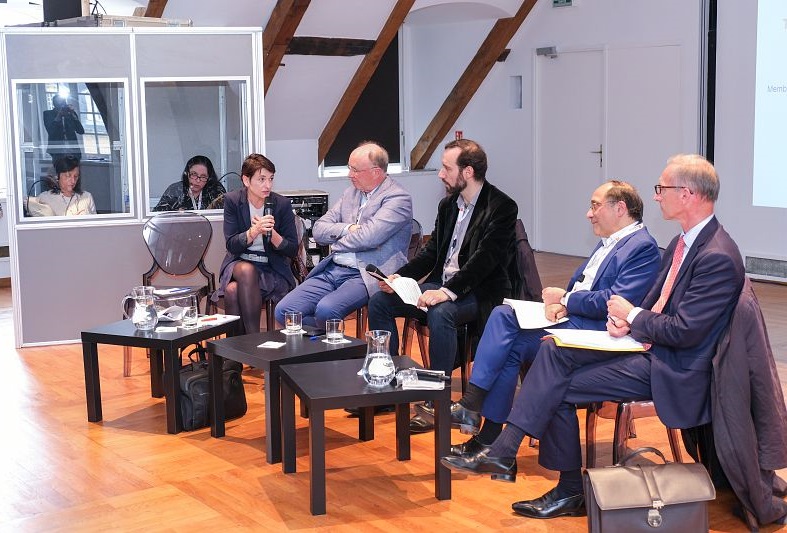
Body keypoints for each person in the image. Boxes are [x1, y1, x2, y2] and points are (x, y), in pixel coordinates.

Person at [441, 154, 746, 521]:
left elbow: (685, 331)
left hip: (673, 367)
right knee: (551, 359)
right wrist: (630, 321)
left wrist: (632, 317)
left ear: (688, 194)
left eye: (662, 188)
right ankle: (531, 467)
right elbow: (654, 304)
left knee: (552, 373)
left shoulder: (715, 255)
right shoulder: (685, 242)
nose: (656, 196)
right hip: (647, 347)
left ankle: (526, 462)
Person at [442, 180, 660, 457]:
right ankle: (485, 434)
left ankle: (477, 415)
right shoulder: (611, 242)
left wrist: (566, 300)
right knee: (506, 328)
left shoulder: (642, 247)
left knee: (505, 325)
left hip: (599, 334)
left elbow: (614, 302)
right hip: (577, 320)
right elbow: (585, 287)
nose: (589, 214)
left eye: (595, 206)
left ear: (620, 208)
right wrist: (565, 305)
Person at [367, 138, 518, 433]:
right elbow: (431, 252)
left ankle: (437, 399)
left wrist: (446, 293)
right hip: (443, 284)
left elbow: (484, 261)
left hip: (479, 291)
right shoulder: (448, 205)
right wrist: (399, 277)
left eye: (447, 168)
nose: (440, 174)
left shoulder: (501, 206)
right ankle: (387, 385)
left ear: (468, 172)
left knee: (441, 312)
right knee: (380, 302)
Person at [274, 141, 412, 330]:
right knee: (285, 311)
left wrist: (336, 242)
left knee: (326, 310)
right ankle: (325, 342)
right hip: (334, 268)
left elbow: (369, 237)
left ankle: (330, 344)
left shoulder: (398, 198)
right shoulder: (351, 193)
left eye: (355, 170)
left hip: (366, 274)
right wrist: (348, 229)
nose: (349, 175)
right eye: (349, 168)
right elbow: (319, 230)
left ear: (376, 172)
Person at [212, 153, 298, 334]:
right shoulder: (233, 201)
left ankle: (236, 350)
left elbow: (292, 249)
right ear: (246, 180)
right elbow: (231, 245)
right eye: (261, 179)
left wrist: (272, 234)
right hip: (240, 263)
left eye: (271, 179)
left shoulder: (281, 204)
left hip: (271, 268)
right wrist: (254, 231)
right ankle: (254, 339)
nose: (268, 185)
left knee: (232, 290)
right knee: (246, 269)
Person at [153, 155, 226, 212]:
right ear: (187, 174)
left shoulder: (216, 190)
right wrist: (174, 215)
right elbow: (157, 216)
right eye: (194, 174)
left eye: (203, 176)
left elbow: (226, 215)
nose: (198, 180)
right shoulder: (175, 190)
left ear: (209, 178)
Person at [29, 155, 96, 216]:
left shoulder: (87, 197)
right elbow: (27, 203)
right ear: (57, 176)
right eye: (68, 176)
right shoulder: (45, 198)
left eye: (76, 176)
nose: (73, 181)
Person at [43, 95, 85, 162]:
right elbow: (51, 131)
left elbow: (81, 131)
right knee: (60, 167)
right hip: (57, 150)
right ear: (54, 103)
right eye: (59, 102)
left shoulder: (70, 114)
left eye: (63, 102)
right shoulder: (48, 114)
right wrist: (58, 116)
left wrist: (73, 115)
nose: (61, 104)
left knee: (75, 168)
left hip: (73, 150)